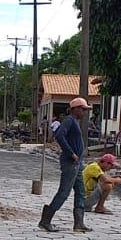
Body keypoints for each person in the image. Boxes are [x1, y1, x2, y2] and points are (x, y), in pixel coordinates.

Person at [39, 97, 91, 233]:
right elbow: (60, 136)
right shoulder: (69, 120)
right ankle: (46, 220)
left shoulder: (75, 122)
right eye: (83, 109)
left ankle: (79, 223)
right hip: (71, 162)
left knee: (80, 191)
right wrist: (71, 153)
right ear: (76, 109)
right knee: (64, 191)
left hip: (77, 163)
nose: (84, 112)